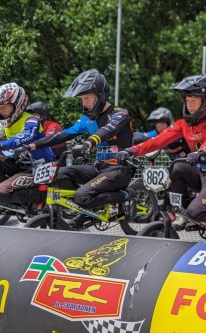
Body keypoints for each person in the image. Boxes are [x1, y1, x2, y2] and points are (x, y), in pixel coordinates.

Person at [117, 74, 206, 237]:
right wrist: (131, 151)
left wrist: (202, 151)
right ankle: (184, 210)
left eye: (194, 100)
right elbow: (157, 141)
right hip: (200, 175)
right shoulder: (182, 124)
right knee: (177, 167)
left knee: (195, 212)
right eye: (187, 100)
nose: (189, 104)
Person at [18, 69, 135, 227]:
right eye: (81, 99)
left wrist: (89, 142)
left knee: (81, 196)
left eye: (87, 98)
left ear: (100, 95)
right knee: (59, 174)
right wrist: (30, 146)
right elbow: (64, 134)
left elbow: (108, 130)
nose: (84, 103)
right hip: (99, 168)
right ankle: (85, 208)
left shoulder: (119, 114)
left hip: (119, 169)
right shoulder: (87, 119)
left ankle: (126, 194)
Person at [0, 83, 54, 200]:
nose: (1, 110)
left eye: (4, 106)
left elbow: (27, 135)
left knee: (2, 191)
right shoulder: (6, 123)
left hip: (40, 169)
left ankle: (8, 198)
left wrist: (2, 145)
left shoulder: (31, 120)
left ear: (17, 104)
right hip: (20, 165)